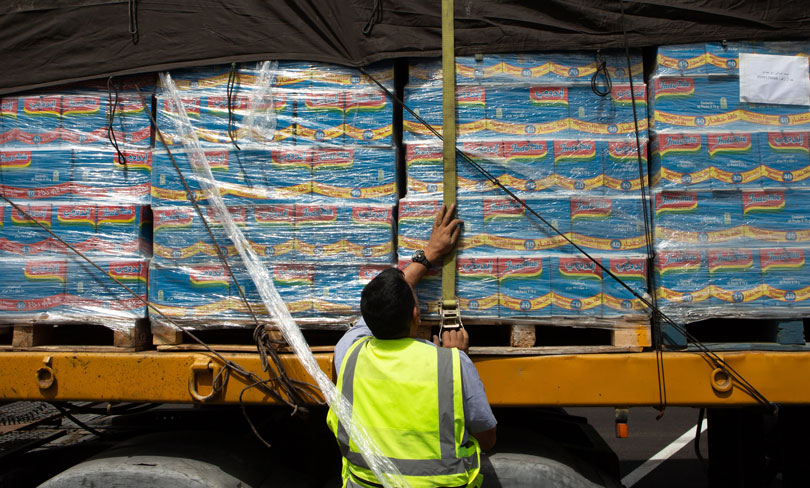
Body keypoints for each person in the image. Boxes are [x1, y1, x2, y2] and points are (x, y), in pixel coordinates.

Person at [327, 204, 497, 488]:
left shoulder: (348, 354)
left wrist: (427, 254)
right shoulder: (452, 365)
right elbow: (487, 439)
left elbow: (383, 305)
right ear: (416, 315)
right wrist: (457, 358)